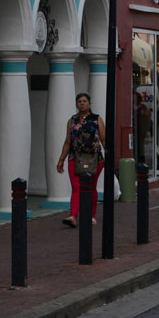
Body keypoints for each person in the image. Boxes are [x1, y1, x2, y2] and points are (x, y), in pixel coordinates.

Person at [56, 93, 105, 227]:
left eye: (84, 101)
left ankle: (91, 216)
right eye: (79, 101)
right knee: (76, 187)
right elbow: (67, 142)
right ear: (76, 104)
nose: (82, 103)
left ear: (89, 103)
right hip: (75, 157)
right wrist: (61, 160)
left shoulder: (97, 119)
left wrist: (110, 156)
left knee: (91, 187)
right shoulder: (72, 120)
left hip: (94, 158)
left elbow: (103, 139)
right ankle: (73, 216)